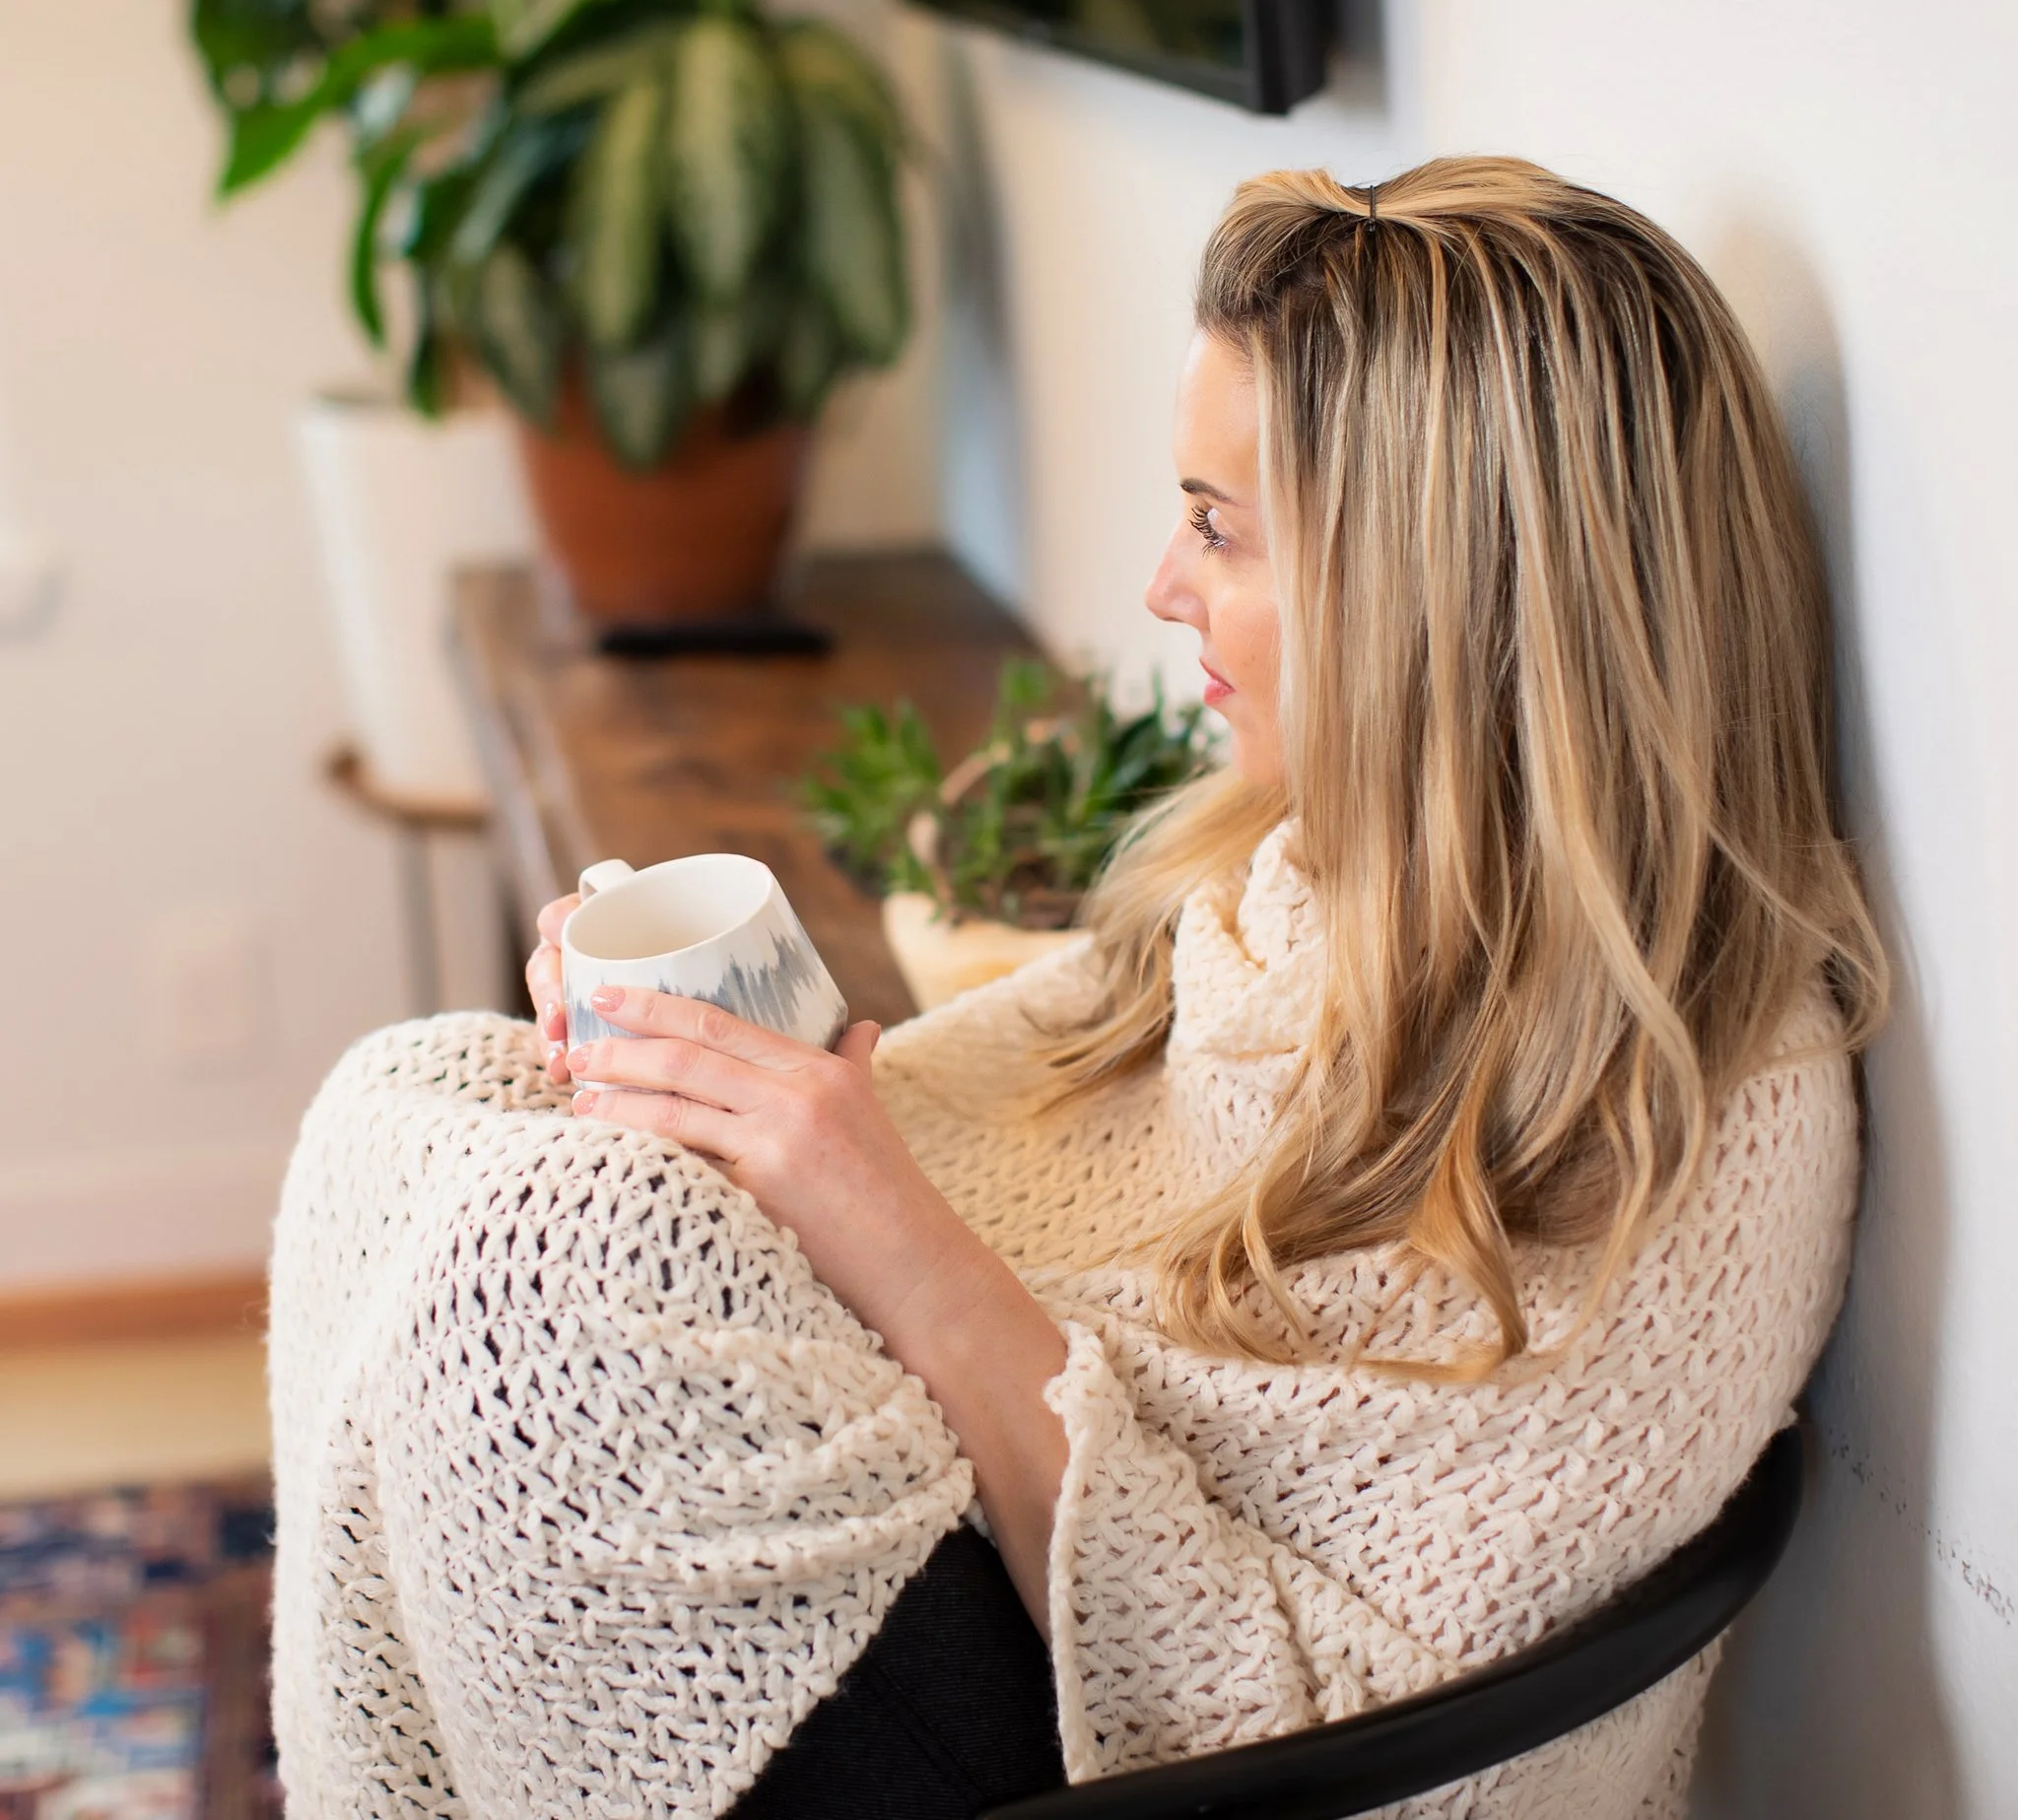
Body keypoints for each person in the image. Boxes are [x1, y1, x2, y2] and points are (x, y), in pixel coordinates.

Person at [268, 158, 1886, 1820]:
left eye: (1217, 527)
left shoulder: (1696, 1101)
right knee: (440, 1092)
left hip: (1170, 1756)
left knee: (546, 1267)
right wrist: (696, 1071)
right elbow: (948, 1122)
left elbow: (1366, 1744)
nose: (1163, 588)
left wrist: (868, 1212)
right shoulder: (1296, 882)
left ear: (1434, 588)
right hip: (1025, 1590)